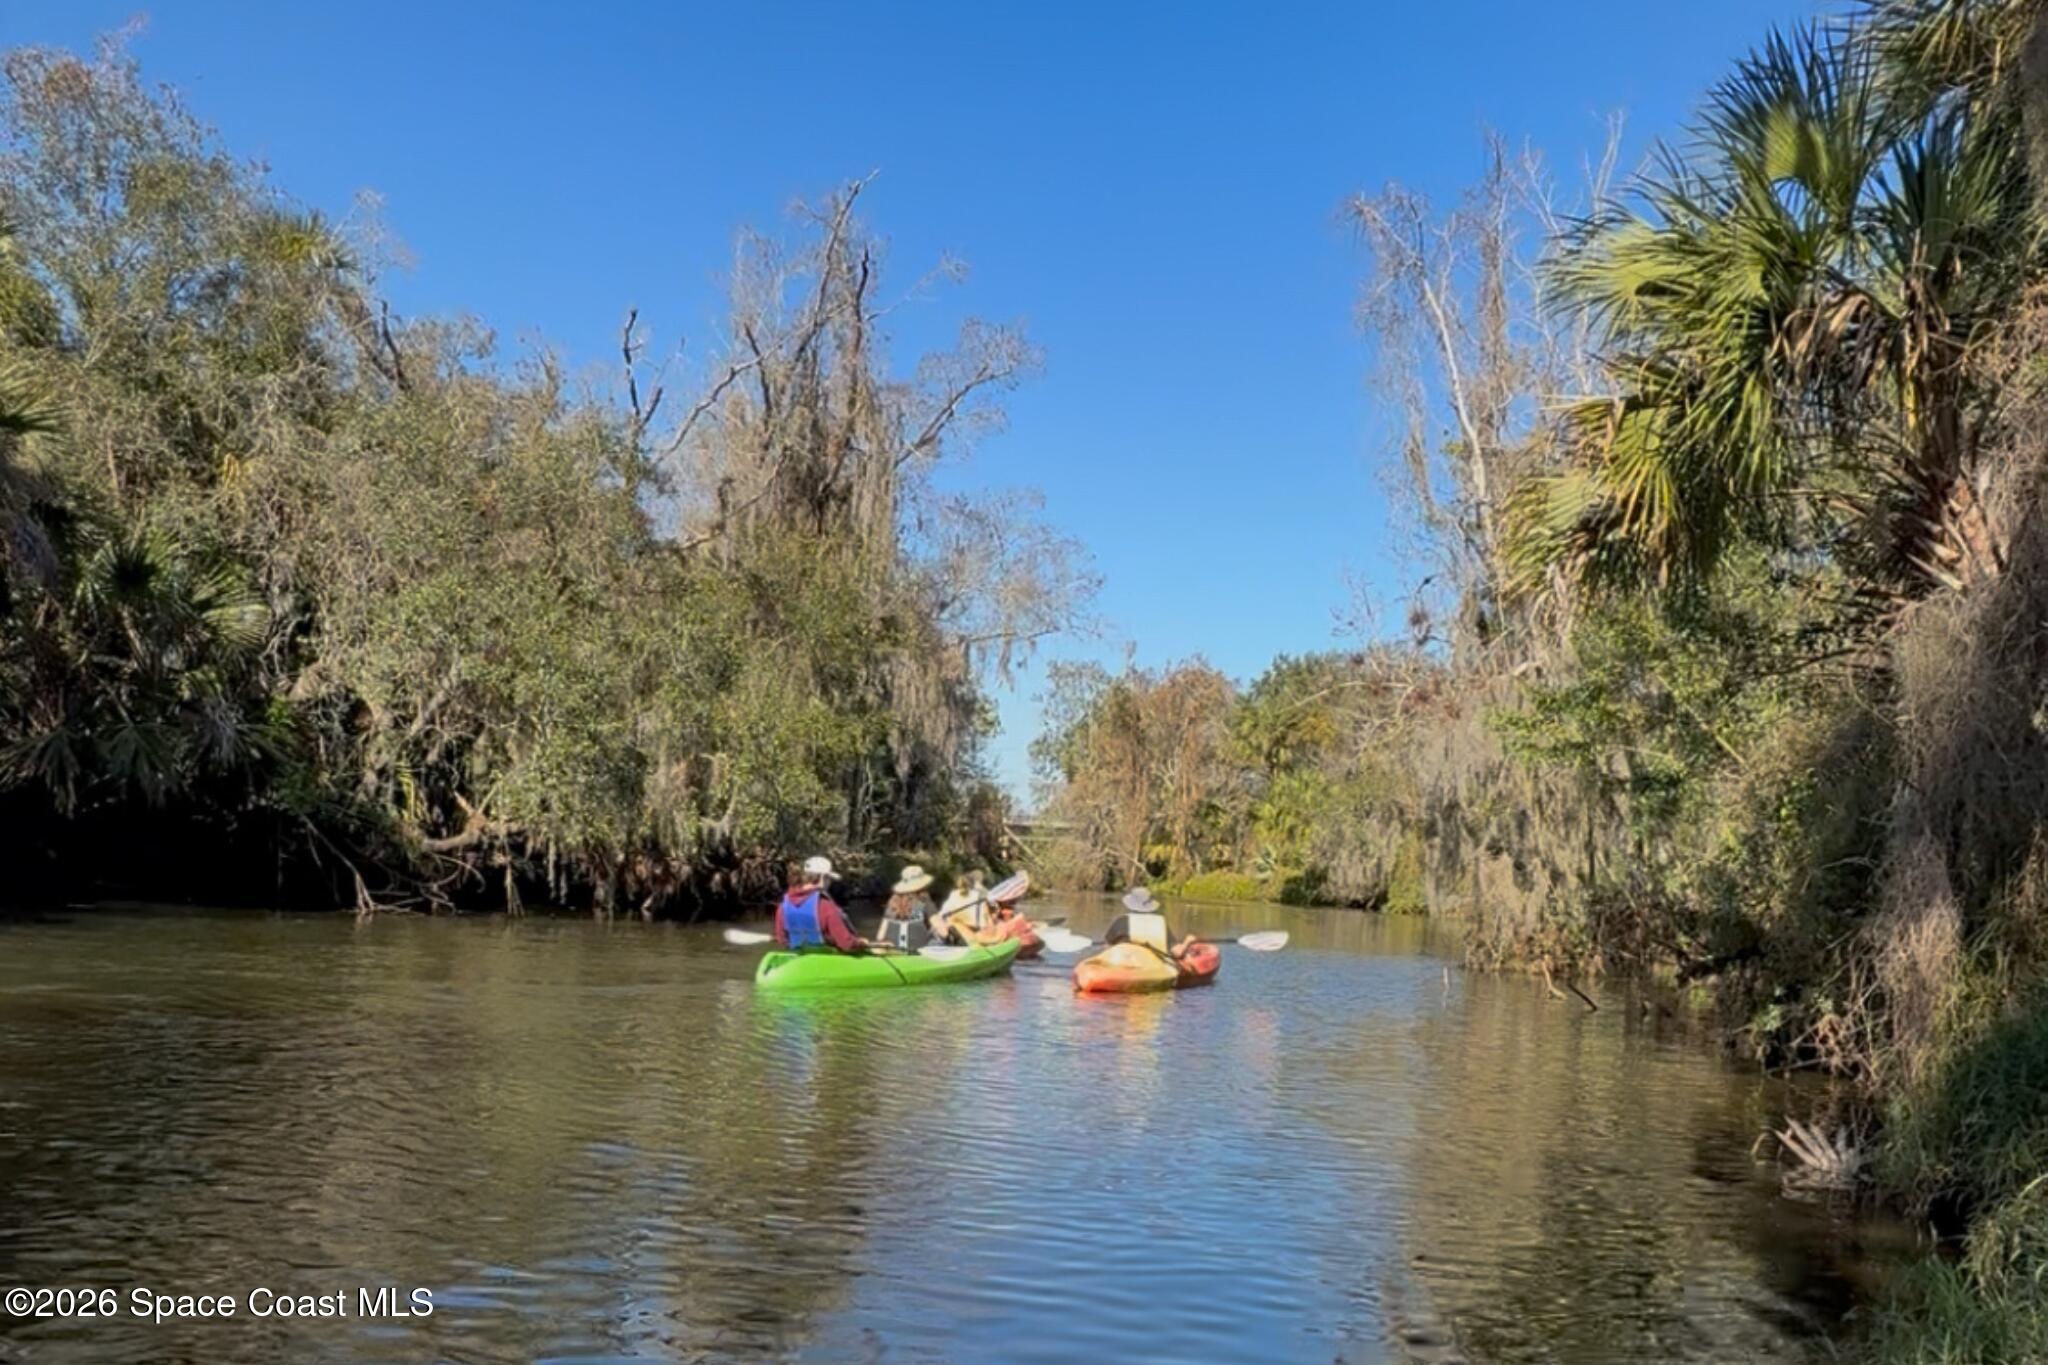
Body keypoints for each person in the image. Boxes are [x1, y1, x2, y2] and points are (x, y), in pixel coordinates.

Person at [774, 855, 864, 952]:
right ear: (822, 878)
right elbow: (846, 944)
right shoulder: (825, 905)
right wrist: (860, 943)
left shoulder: (783, 905)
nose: (830, 883)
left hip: (800, 958)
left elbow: (782, 939)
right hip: (829, 959)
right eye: (829, 879)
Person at [1104, 886, 1193, 960]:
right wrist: (1187, 943)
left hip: (1128, 961)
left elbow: (1107, 947)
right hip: (1156, 963)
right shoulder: (1160, 922)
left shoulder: (1123, 921)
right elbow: (1175, 950)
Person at [875, 864, 937, 951]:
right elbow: (943, 932)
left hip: (893, 949)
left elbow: (880, 935)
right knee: (938, 940)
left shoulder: (893, 901)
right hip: (917, 949)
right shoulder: (924, 899)